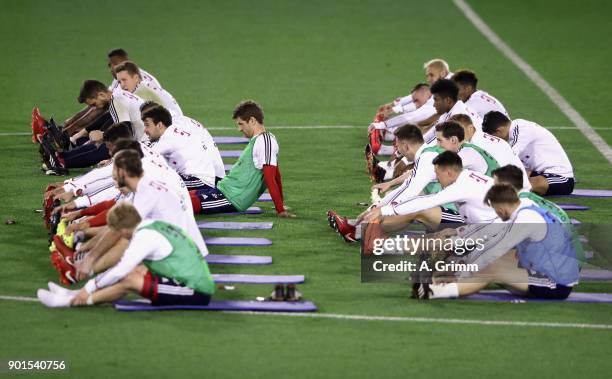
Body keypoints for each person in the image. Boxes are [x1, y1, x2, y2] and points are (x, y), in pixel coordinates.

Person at [412, 184, 580, 300]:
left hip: (556, 283)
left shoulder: (526, 219)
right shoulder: (524, 207)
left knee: (492, 267)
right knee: (491, 259)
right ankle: (443, 280)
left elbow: (493, 251)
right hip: (547, 269)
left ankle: (434, 292)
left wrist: (464, 273)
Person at [38, 203, 215, 308]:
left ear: (122, 229)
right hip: (187, 276)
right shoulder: (150, 224)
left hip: (196, 291)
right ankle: (74, 295)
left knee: (130, 279)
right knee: (136, 271)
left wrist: (89, 287)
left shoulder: (144, 237)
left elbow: (120, 270)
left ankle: (76, 301)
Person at [190, 100, 295, 217]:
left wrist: (280, 209)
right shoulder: (261, 140)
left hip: (231, 198)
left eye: (241, 124)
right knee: (181, 194)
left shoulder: (265, 141)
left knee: (183, 203)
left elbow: (272, 177)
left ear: (252, 121)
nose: (239, 129)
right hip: (223, 189)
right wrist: (280, 205)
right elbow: (276, 175)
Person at [482, 111, 574, 195]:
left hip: (562, 177)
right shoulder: (513, 137)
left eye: (493, 137)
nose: (494, 140)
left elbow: (510, 155)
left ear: (499, 131)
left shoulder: (520, 128)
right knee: (515, 179)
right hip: (539, 173)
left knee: (520, 183)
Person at [142, 104, 216, 190]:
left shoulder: (168, 137)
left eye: (147, 125)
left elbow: (145, 156)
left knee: (154, 182)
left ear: (159, 125)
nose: (145, 130)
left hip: (199, 181)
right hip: (200, 177)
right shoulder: (173, 131)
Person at [449, 114, 531, 190]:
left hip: (511, 192)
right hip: (520, 187)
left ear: (470, 128)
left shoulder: (476, 145)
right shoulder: (483, 138)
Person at [423, 79, 481, 144]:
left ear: (448, 100)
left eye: (436, 100)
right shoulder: (451, 110)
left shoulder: (457, 118)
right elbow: (430, 135)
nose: (434, 105)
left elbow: (434, 144)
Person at [114, 61, 183, 116]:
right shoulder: (144, 87)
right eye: (119, 82)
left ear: (136, 78)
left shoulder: (142, 93)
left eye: (124, 80)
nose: (122, 85)